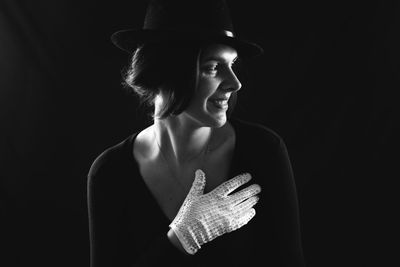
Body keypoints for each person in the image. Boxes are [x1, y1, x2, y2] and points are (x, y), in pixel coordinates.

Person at [87, 0, 306, 266]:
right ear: (163, 71)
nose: (235, 83)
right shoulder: (110, 172)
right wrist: (181, 239)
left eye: (232, 64)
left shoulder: (262, 150)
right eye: (213, 67)